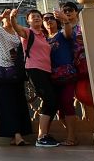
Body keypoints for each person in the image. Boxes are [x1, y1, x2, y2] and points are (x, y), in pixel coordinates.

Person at [7, 8, 60, 148]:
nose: (36, 18)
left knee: (53, 101)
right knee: (50, 99)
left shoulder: (43, 35)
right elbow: (17, 29)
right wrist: (12, 18)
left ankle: (44, 135)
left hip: (47, 71)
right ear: (28, 20)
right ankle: (41, 137)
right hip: (34, 69)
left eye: (38, 16)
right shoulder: (28, 32)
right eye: (33, 17)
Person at [0, 9, 29, 146]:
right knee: (7, 104)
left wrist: (13, 19)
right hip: (4, 71)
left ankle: (17, 135)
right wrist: (1, 16)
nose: (9, 18)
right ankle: (16, 135)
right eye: (8, 17)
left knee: (19, 103)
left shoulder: (18, 33)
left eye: (12, 17)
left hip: (17, 71)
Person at [46, 8, 81, 146]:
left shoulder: (62, 33)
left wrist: (65, 20)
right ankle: (70, 135)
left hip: (67, 74)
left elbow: (68, 32)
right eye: (46, 19)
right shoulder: (44, 39)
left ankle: (72, 137)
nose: (48, 21)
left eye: (51, 19)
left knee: (67, 102)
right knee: (59, 107)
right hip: (52, 76)